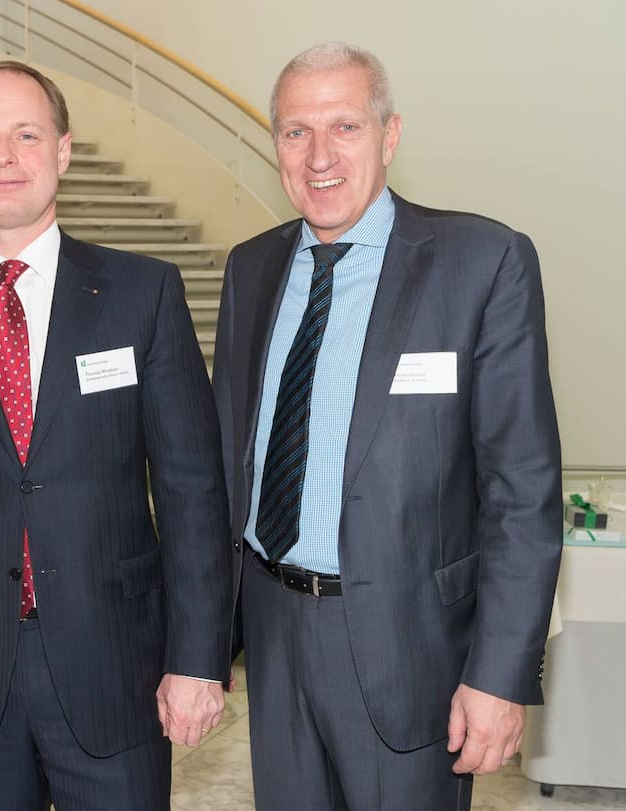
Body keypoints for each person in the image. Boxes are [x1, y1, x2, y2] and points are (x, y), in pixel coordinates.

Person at [0, 61, 231, 810]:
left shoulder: (143, 292)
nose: (2, 156)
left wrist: (197, 658)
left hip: (116, 667)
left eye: (25, 134)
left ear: (61, 152)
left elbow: (193, 491)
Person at [210, 42, 561, 810]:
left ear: (389, 135)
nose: (318, 155)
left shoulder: (481, 262)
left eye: (344, 126)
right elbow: (225, 469)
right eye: (295, 132)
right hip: (272, 634)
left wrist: (497, 675)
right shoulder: (251, 268)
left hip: (411, 650)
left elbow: (521, 494)